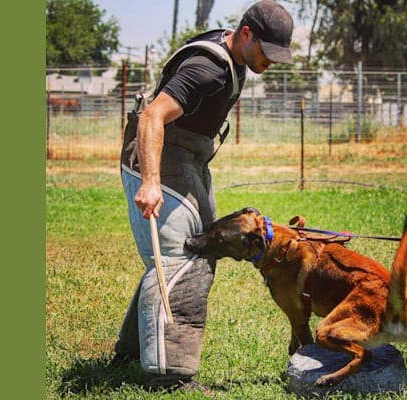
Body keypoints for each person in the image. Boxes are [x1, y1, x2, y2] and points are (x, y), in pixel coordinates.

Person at [111, 0, 295, 393]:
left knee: (201, 248)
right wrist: (150, 182)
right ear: (246, 33)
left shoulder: (234, 58)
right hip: (160, 158)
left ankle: (131, 352)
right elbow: (152, 116)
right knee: (183, 260)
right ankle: (169, 376)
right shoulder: (207, 68)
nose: (272, 62)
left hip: (189, 158)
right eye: (268, 51)